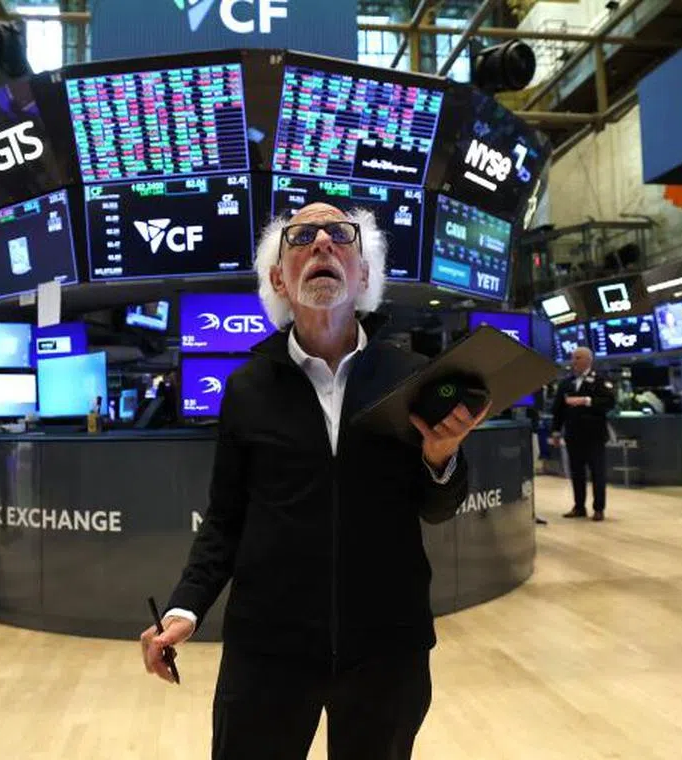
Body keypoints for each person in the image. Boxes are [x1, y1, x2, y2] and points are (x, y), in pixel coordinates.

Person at [140, 203, 490, 760]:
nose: (323, 242)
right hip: (267, 648)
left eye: (341, 236)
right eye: (302, 236)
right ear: (279, 277)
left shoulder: (412, 377)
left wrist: (441, 455)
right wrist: (185, 608)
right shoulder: (247, 388)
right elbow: (226, 521)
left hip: (387, 645)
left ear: (365, 274)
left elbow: (438, 507)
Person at [549, 347, 616, 522]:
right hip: (573, 435)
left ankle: (598, 508)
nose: (574, 361)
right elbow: (558, 410)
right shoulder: (566, 383)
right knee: (576, 472)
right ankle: (579, 506)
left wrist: (587, 401)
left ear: (588, 360)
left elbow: (610, 402)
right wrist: (556, 431)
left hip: (594, 435)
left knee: (597, 473)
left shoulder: (600, 380)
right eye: (573, 358)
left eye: (578, 358)